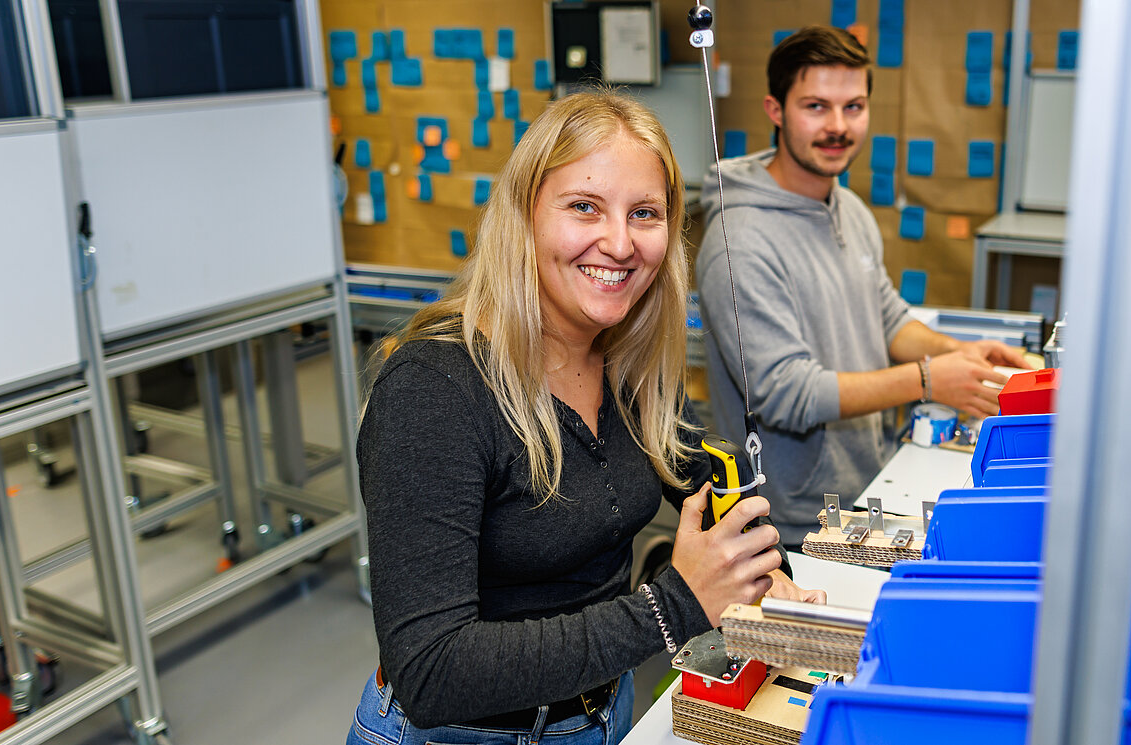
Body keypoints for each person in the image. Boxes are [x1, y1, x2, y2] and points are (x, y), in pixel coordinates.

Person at [346, 91, 822, 745]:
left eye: (645, 213)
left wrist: (769, 576)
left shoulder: (629, 366)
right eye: (585, 207)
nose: (621, 243)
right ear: (524, 214)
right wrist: (676, 605)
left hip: (601, 714)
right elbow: (430, 672)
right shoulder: (434, 390)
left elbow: (714, 481)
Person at [696, 26, 1031, 547]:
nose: (837, 126)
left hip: (865, 491)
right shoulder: (739, 242)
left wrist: (960, 356)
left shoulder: (847, 208)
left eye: (853, 106)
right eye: (816, 106)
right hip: (794, 525)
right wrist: (927, 380)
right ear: (775, 109)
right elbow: (785, 393)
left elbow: (887, 318)